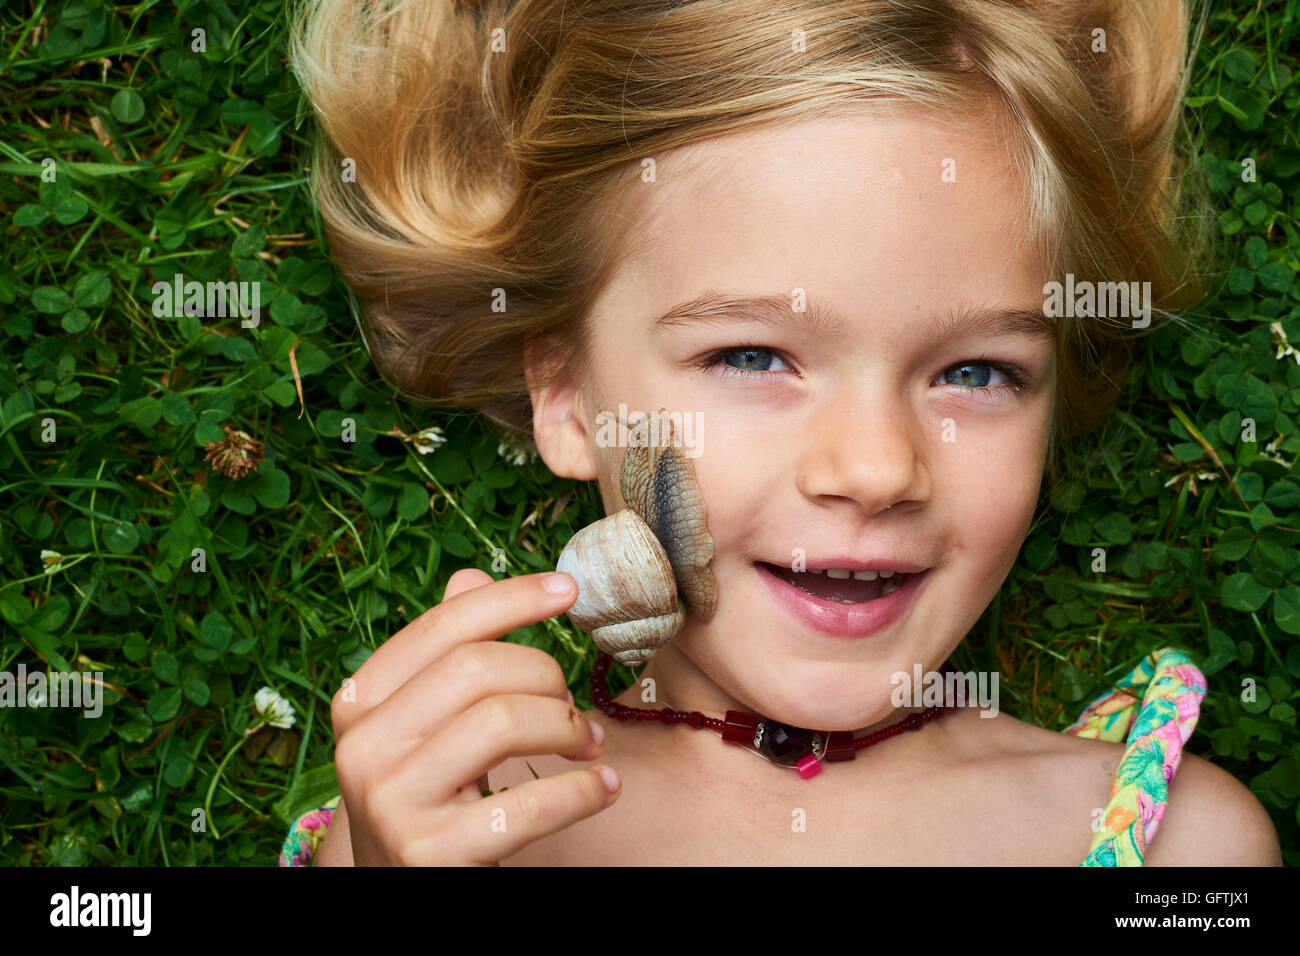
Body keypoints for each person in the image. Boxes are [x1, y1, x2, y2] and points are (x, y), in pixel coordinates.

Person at [278, 0, 1283, 866]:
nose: (876, 467)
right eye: (752, 358)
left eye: (975, 372)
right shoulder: (457, 831)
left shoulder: (1183, 846)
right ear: (568, 398)